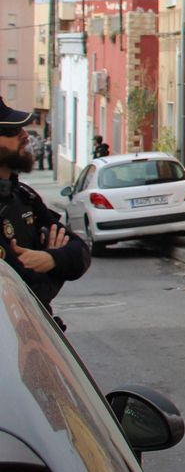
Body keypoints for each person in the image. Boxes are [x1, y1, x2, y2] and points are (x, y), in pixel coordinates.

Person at [0, 98, 89, 322]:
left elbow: (80, 251)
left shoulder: (23, 196)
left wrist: (50, 259)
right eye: (12, 131)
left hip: (35, 338)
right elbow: (22, 295)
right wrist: (58, 268)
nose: (24, 135)